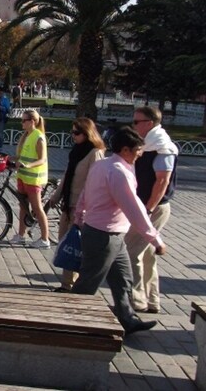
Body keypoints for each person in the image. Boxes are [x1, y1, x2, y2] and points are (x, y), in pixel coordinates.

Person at [72, 127, 165, 335]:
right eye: (138, 150)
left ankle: (127, 318)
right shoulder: (118, 172)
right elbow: (134, 208)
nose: (140, 154)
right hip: (103, 235)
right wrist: (155, 239)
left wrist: (79, 216)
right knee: (88, 282)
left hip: (111, 234)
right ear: (125, 150)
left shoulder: (103, 165)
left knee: (123, 279)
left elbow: (85, 193)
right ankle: (69, 321)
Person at [126, 106, 178, 314]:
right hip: (144, 206)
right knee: (147, 254)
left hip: (153, 208)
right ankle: (152, 300)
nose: (134, 126)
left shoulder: (163, 147)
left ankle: (136, 302)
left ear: (149, 123)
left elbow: (162, 181)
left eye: (137, 122)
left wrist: (148, 209)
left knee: (131, 252)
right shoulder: (148, 145)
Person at [48, 117, 105, 291]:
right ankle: (67, 283)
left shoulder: (95, 153)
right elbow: (67, 175)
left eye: (76, 133)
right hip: (68, 203)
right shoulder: (76, 151)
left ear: (87, 133)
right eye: (72, 132)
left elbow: (96, 182)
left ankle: (74, 283)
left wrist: (87, 206)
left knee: (77, 245)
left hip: (82, 207)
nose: (73, 136)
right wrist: (55, 197)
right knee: (66, 242)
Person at [9, 109, 50, 248]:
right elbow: (22, 157)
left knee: (37, 208)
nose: (22, 123)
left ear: (32, 121)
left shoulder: (39, 137)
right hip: (23, 176)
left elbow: (42, 159)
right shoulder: (26, 135)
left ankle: (45, 239)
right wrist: (9, 158)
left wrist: (27, 165)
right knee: (22, 206)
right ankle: (21, 235)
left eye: (24, 120)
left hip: (34, 178)